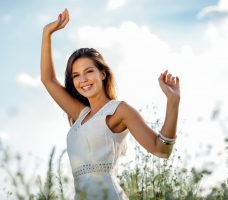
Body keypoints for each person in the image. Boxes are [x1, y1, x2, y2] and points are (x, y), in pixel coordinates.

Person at [40, 8, 180, 200]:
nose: (83, 80)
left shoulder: (118, 110)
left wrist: (173, 101)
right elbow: (48, 79)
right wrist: (47, 32)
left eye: (89, 71)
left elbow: (160, 149)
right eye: (76, 75)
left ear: (102, 74)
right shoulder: (80, 115)